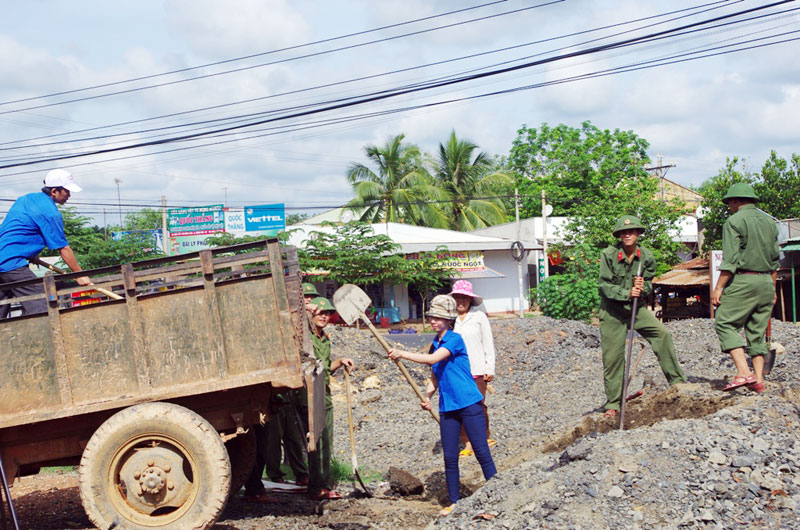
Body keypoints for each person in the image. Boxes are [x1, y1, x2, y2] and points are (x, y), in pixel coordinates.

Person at [388, 295, 496, 517]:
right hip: (448, 408)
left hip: (469, 403)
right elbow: (434, 377)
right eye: (431, 317)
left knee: (481, 451)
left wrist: (402, 353)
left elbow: (433, 360)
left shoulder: (455, 340)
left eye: (438, 318)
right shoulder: (434, 344)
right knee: (449, 456)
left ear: (449, 320)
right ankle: (455, 501)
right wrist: (427, 396)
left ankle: (498, 492)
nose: (434, 321)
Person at [598, 215, 687, 418]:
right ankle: (613, 403)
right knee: (613, 358)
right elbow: (604, 286)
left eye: (631, 231)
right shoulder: (609, 254)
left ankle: (678, 382)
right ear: (619, 235)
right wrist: (626, 292)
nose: (627, 234)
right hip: (612, 311)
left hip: (636, 308)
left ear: (638, 234)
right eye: (623, 232)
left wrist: (642, 287)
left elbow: (648, 282)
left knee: (662, 334)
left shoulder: (645, 256)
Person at [711, 183, 779, 393]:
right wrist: (773, 289)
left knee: (724, 322)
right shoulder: (770, 222)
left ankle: (743, 371)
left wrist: (718, 288)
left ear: (735, 201)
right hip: (767, 282)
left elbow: (730, 261)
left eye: (729, 202)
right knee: (756, 331)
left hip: (744, 280)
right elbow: (775, 260)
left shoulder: (734, 221)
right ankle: (758, 380)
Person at [0, 169, 91, 318]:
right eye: (67, 191)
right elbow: (64, 249)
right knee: (42, 303)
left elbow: (19, 229)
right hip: (11, 263)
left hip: (4, 258)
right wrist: (80, 275)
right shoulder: (51, 213)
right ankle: (42, 340)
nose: (69, 195)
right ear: (54, 191)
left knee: (2, 302)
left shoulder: (25, 199)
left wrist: (31, 254)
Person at [307, 296, 354, 500]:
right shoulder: (306, 337)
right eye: (320, 313)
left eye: (327, 314)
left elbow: (325, 366)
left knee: (327, 442)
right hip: (310, 395)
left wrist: (340, 361)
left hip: (325, 395)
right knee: (316, 443)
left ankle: (323, 484)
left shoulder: (324, 338)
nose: (324, 317)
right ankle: (316, 486)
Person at [449, 280, 496, 457]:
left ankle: (484, 436)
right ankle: (467, 442)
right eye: (457, 297)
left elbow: (488, 342)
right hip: (456, 371)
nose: (461, 301)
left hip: (477, 367)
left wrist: (489, 367)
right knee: (460, 407)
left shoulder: (479, 317)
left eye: (464, 298)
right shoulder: (450, 320)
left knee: (478, 405)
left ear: (470, 300)